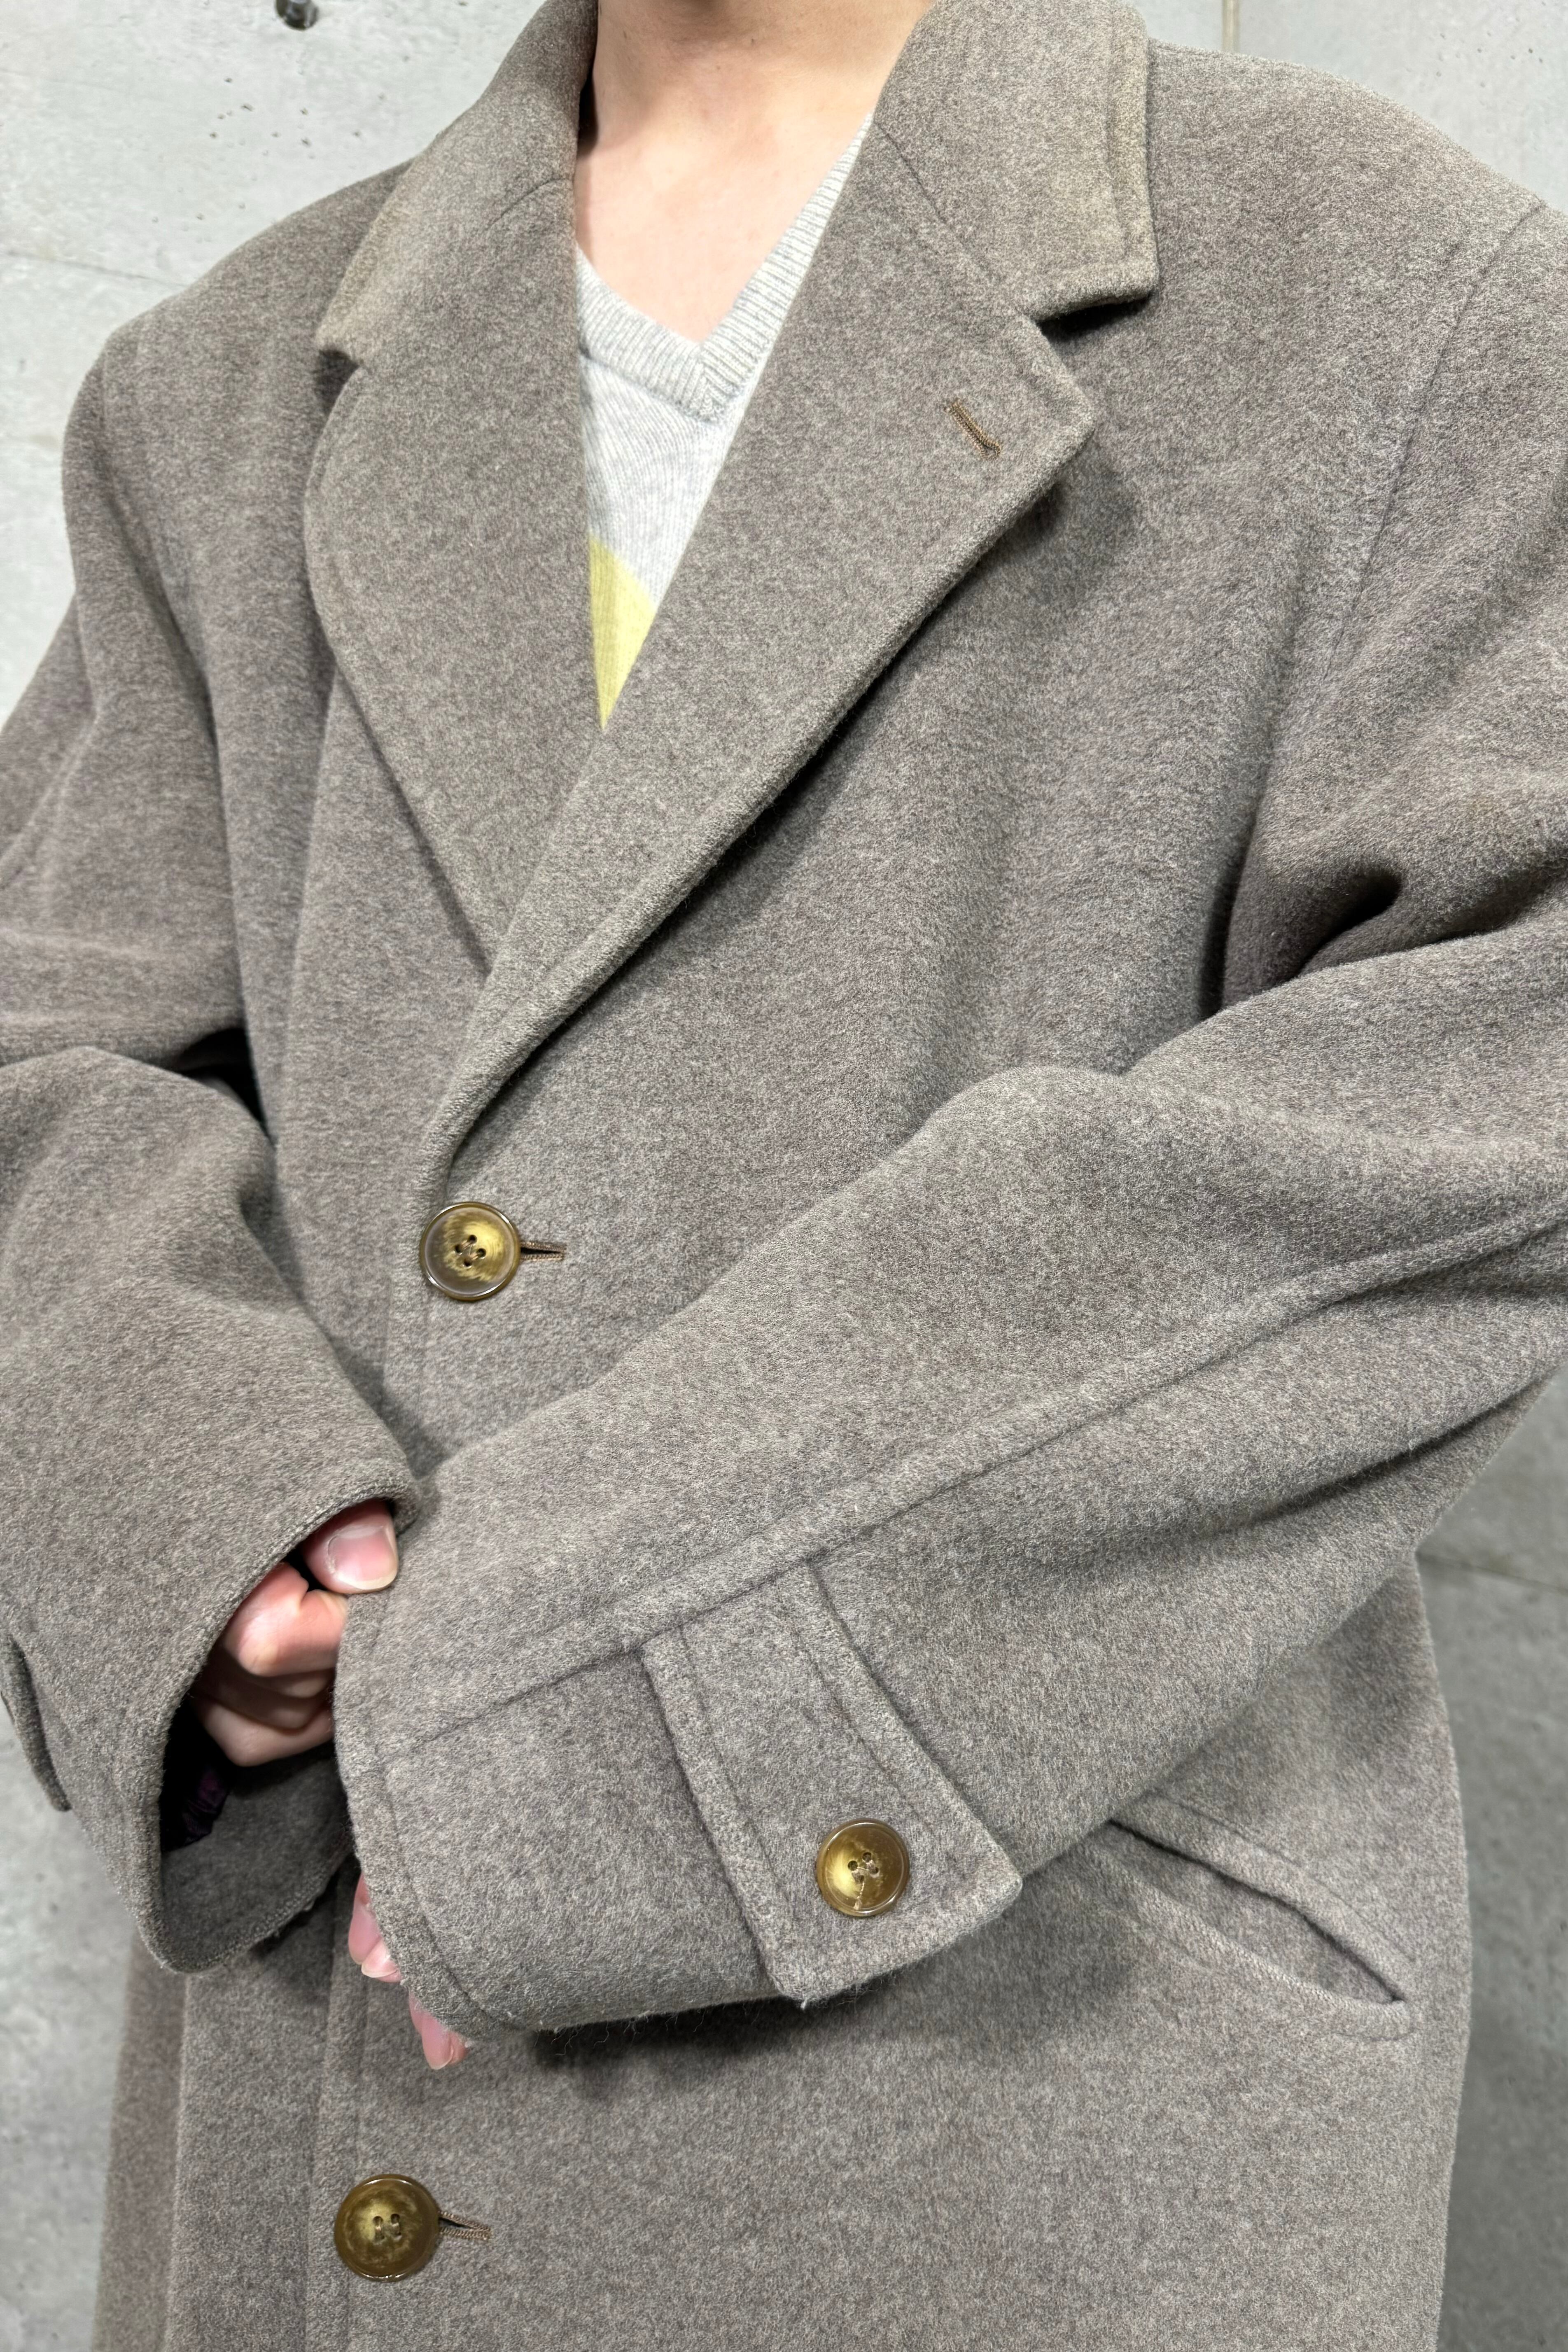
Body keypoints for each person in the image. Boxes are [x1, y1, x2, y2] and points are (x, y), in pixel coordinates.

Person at [2, 0, 1565, 2341]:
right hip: (325, 2074)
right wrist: (190, 1529)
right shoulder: (218, 389)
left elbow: (1496, 1069)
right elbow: (47, 1053)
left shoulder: (1398, 301)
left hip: (1029, 2072)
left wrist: (611, 1664)